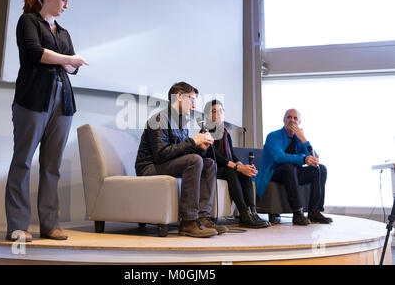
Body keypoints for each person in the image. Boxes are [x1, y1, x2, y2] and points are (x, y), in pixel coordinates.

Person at [5, 0, 89, 242]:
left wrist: (69, 63)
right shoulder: (29, 21)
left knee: (52, 166)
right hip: (32, 99)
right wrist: (68, 60)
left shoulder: (63, 33)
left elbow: (73, 68)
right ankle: (17, 226)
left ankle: (50, 224)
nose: (66, 5)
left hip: (62, 102)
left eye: (68, 2)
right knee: (23, 162)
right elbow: (34, 52)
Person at [135, 82, 228, 238]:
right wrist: (193, 142)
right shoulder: (159, 119)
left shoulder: (181, 123)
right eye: (191, 100)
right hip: (149, 168)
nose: (193, 106)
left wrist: (200, 147)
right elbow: (160, 155)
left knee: (208, 163)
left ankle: (203, 218)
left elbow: (181, 152)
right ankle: (188, 222)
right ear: (178, 96)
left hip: (164, 164)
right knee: (194, 160)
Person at [254, 109, 332, 225]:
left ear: (299, 122)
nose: (292, 120)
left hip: (292, 173)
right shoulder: (273, 136)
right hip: (273, 173)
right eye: (289, 117)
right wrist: (303, 159)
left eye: (295, 118)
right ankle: (297, 213)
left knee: (320, 168)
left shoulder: (299, 139)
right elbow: (278, 157)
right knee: (288, 167)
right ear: (284, 120)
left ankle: (314, 212)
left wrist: (304, 139)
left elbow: (314, 158)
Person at [203, 100, 269, 228]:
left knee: (246, 173)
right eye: (215, 111)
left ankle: (252, 212)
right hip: (213, 168)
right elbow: (215, 156)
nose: (219, 114)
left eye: (221, 111)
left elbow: (232, 155)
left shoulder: (225, 133)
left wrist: (243, 166)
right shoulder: (206, 131)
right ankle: (244, 214)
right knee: (232, 171)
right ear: (208, 115)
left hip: (226, 167)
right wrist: (237, 167)